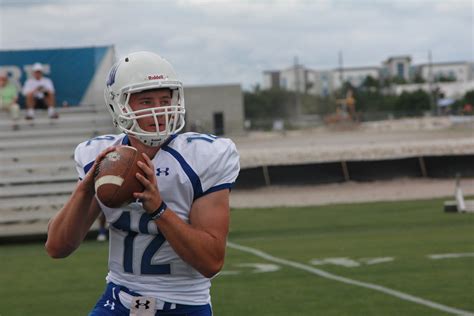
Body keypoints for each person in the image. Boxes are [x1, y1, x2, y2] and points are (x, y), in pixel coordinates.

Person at [45, 51, 240, 316]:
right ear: (118, 105)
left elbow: (211, 261)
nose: (159, 110)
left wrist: (159, 209)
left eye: (165, 99)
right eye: (146, 101)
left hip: (183, 305)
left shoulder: (204, 156)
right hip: (117, 300)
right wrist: (86, 187)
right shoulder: (101, 155)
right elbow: (57, 247)